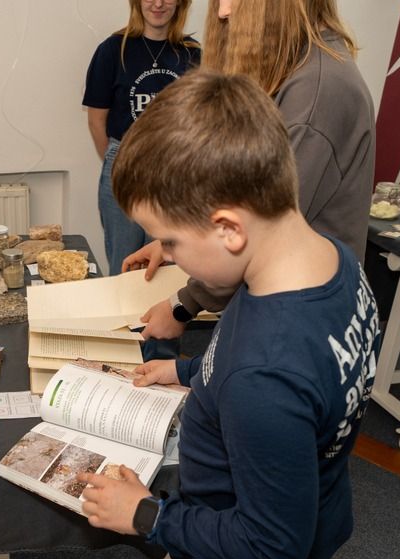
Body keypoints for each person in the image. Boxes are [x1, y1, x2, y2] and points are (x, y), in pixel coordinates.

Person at [79, 71, 379, 559]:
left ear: (228, 229)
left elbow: (265, 541)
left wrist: (145, 516)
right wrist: (189, 371)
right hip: (313, 524)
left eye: (171, 241)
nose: (170, 256)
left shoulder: (261, 378)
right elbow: (298, 380)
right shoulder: (331, 263)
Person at [126, 0, 375, 344]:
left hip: (295, 320)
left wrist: (182, 305)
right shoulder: (300, 70)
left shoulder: (317, 91)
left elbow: (258, 230)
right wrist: (175, 238)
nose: (223, 12)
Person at [83, 0, 199, 275]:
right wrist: (119, 162)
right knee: (124, 264)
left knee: (166, 265)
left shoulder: (191, 53)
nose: (158, 4)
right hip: (123, 163)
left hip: (173, 170)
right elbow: (97, 120)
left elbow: (197, 119)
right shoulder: (113, 50)